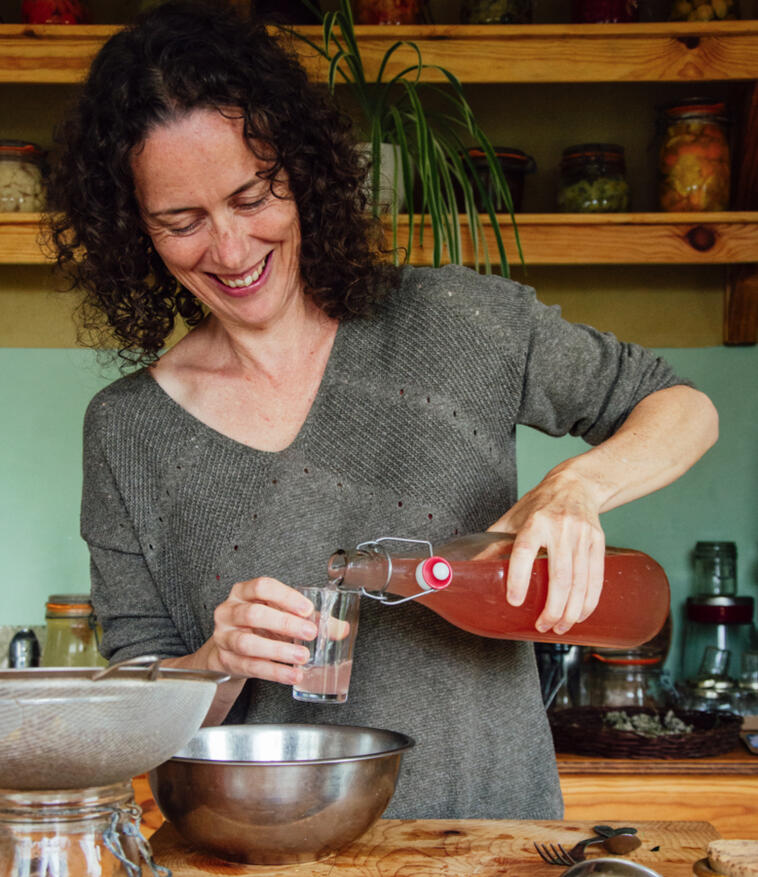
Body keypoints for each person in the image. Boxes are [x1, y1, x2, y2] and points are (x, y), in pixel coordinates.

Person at [46, 0, 718, 820]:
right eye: (180, 222)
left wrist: (576, 489)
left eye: (253, 195)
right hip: (272, 858)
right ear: (133, 232)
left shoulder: (456, 320)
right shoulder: (127, 431)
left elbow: (681, 407)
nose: (227, 249)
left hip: (494, 844)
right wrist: (217, 660)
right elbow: (140, 728)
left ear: (301, 169)